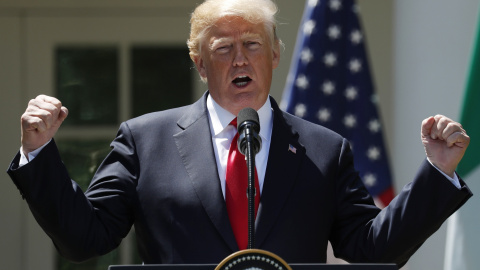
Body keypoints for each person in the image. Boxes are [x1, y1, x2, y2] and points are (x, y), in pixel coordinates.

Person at [7, 0, 472, 267]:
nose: (240, 60)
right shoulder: (144, 141)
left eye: (252, 45)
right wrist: (39, 151)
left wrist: (436, 172)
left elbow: (370, 249)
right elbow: (85, 237)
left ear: (274, 56)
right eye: (224, 49)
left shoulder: (325, 149)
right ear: (200, 63)